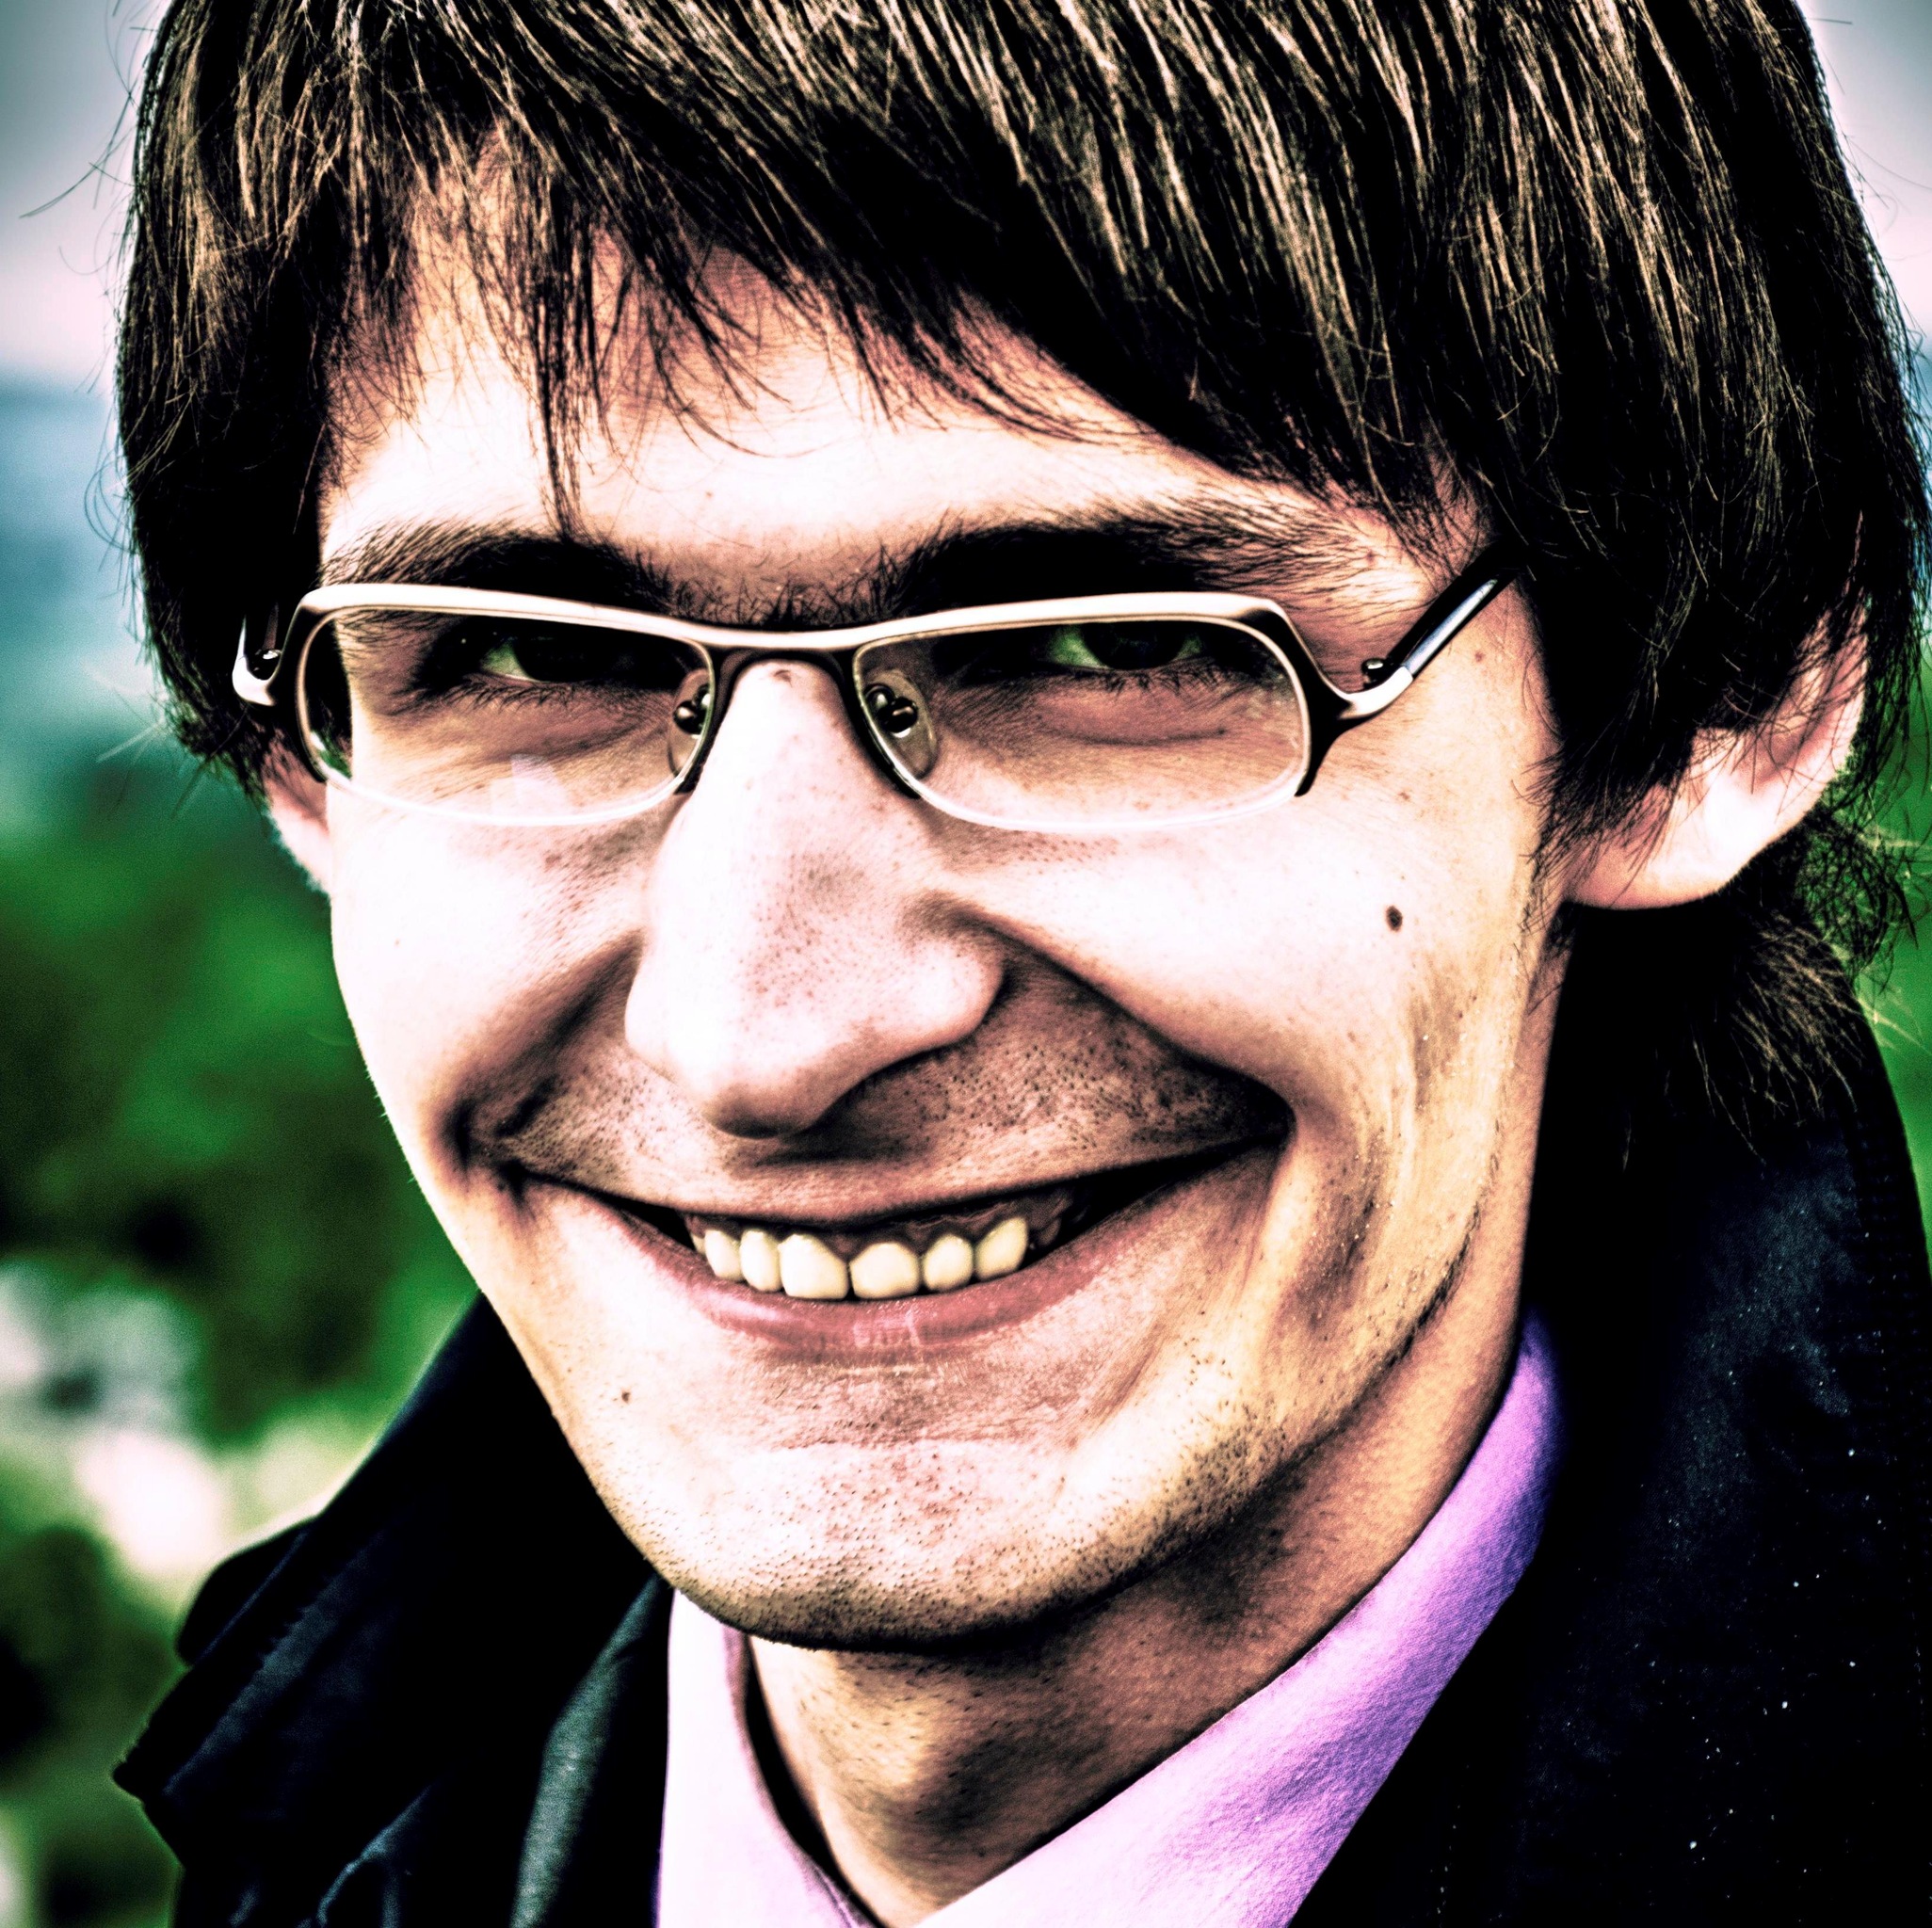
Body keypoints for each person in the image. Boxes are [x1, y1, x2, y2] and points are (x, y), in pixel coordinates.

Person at [111, 0, 1931, 1920]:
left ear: (1718, 699)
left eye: (1103, 649)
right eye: (521, 657)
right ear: (302, 768)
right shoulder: (314, 1847)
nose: (760, 1038)